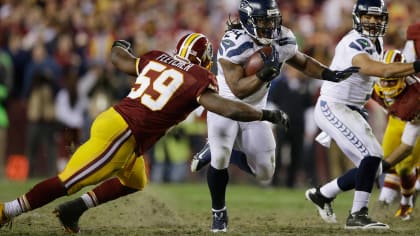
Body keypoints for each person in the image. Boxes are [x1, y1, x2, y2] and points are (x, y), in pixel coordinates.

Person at [0, 32, 288, 233]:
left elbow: (119, 59)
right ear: (204, 59)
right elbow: (229, 108)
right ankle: (7, 210)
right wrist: (264, 114)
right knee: (69, 181)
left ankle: (73, 210)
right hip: (124, 133)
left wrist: (119, 44)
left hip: (117, 123)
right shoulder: (198, 77)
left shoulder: (157, 58)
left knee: (135, 181)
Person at [190, 0, 359, 232]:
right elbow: (238, 88)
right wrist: (262, 74)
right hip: (226, 106)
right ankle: (219, 213)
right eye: (262, 21)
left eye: (271, 20)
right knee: (220, 157)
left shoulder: (283, 38)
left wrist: (330, 74)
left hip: (256, 108)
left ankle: (225, 151)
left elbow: (301, 61)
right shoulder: (234, 42)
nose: (269, 26)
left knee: (265, 172)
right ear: (247, 20)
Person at [304, 0, 420, 230]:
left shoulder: (374, 41)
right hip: (334, 106)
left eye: (377, 17)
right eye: (369, 16)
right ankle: (358, 214)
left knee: (374, 165)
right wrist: (416, 66)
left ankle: (323, 194)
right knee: (372, 154)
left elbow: (383, 76)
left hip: (351, 109)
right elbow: (376, 69)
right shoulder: (354, 41)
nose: (374, 21)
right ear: (358, 17)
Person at [375, 50, 420, 220]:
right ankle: (388, 198)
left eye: (392, 80)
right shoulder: (373, 82)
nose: (386, 86)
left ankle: (406, 203)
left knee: (405, 165)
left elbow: (406, 147)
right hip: (395, 119)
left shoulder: (416, 95)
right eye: (383, 79)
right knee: (386, 155)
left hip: (415, 123)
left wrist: (379, 169)